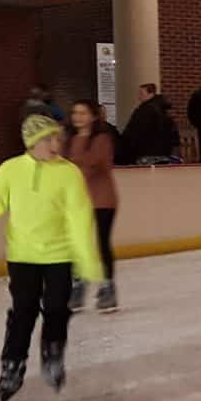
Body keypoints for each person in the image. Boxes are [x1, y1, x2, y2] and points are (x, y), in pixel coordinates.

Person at [0, 115, 103, 401]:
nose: (56, 143)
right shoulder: (11, 170)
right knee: (23, 312)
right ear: (33, 142)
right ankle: (12, 365)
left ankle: (52, 352)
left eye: (58, 138)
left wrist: (87, 260)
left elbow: (80, 219)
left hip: (60, 256)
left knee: (57, 309)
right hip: (23, 257)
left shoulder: (68, 173)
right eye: (49, 138)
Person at [65, 100, 119, 313]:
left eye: (83, 113)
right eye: (75, 112)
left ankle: (107, 287)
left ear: (93, 117)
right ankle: (78, 284)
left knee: (101, 242)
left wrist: (72, 163)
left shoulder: (102, 139)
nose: (78, 117)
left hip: (102, 199)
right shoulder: (68, 140)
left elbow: (96, 162)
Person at [123, 82, 181, 162]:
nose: (139, 96)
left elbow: (134, 131)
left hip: (146, 152)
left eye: (141, 93)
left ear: (151, 94)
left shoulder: (145, 110)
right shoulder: (164, 109)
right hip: (164, 152)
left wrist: (125, 146)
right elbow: (173, 130)